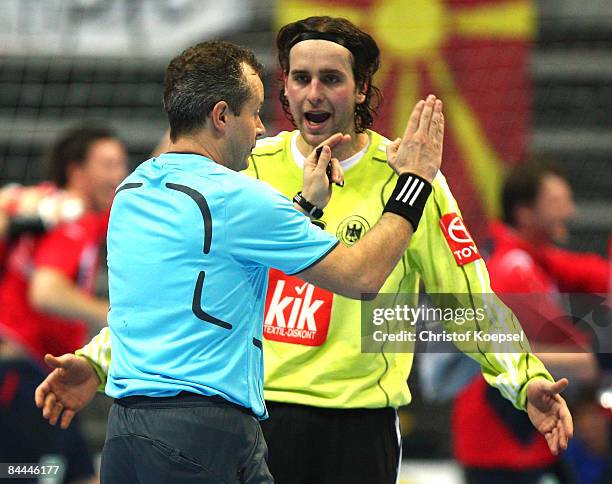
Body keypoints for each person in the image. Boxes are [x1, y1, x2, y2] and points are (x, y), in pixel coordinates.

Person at [36, 22, 573, 483]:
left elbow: (466, 298)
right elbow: (184, 292)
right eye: (300, 78)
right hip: (252, 417)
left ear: (362, 89)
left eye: (332, 79)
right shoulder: (244, 170)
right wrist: (98, 361)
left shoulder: (407, 173)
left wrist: (524, 380)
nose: (313, 93)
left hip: (356, 425)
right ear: (284, 91)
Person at [453, 160, 609, 484]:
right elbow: (576, 356)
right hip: (503, 445)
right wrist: (600, 360)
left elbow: (594, 274)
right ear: (525, 213)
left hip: (523, 436)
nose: (570, 211)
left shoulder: (531, 254)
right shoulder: (514, 267)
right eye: (557, 203)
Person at [0, 125, 128, 482]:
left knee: (81, 476)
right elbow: (45, 291)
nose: (120, 175)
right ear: (78, 172)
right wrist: (113, 314)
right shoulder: (71, 224)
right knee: (20, 475)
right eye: (109, 165)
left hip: (33, 374)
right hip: (21, 378)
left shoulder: (46, 204)